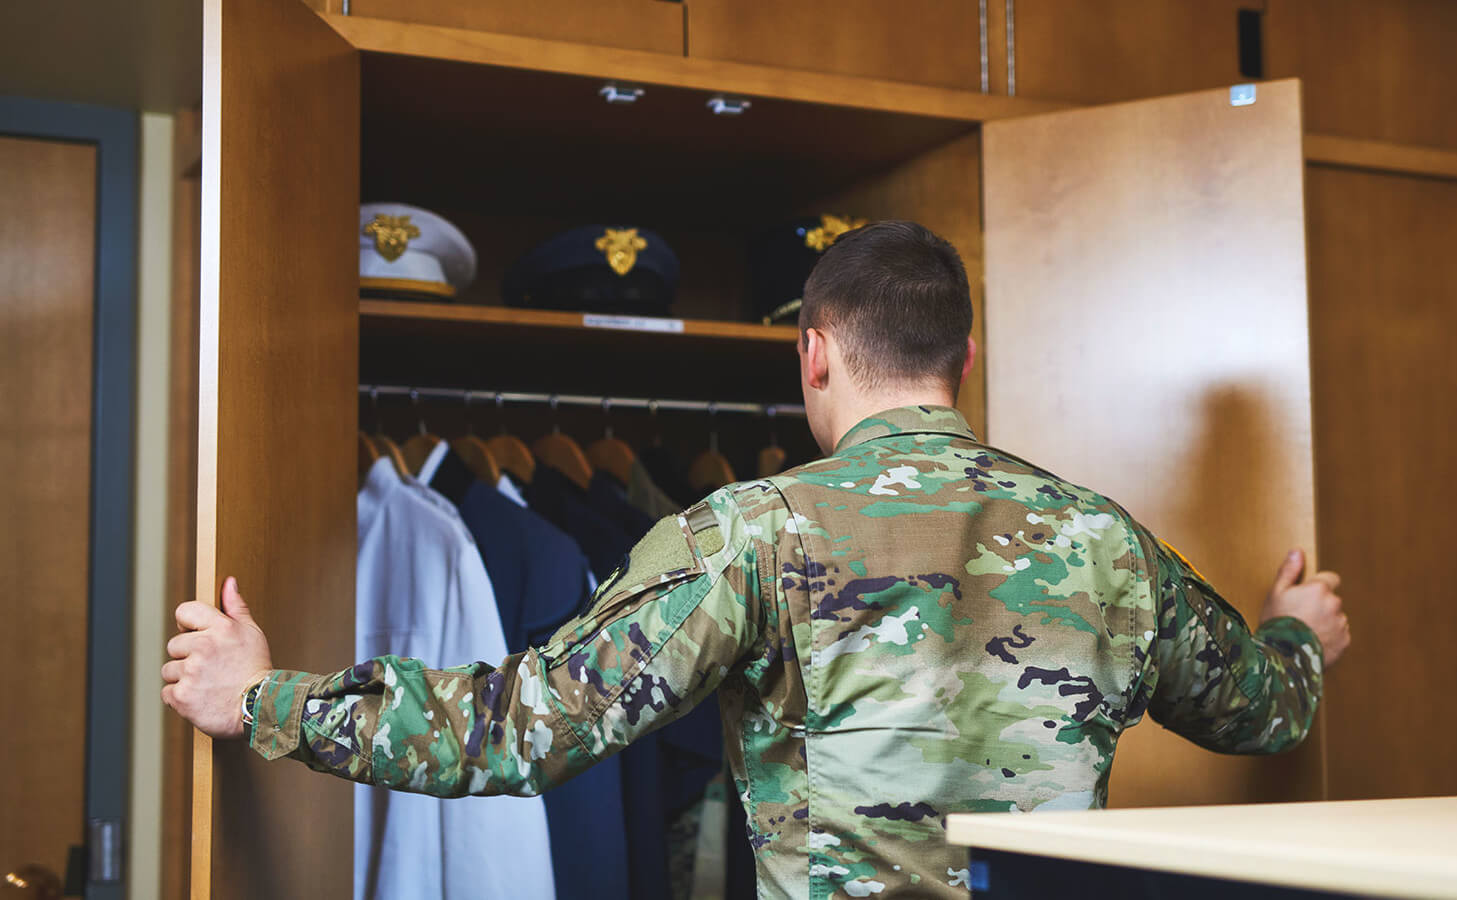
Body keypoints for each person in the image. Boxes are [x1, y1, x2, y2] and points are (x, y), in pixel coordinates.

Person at [164, 220, 1350, 899]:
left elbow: (521, 729)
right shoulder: (1104, 541)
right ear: (965, 356)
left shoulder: (747, 533)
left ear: (814, 353)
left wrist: (264, 699)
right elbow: (1264, 710)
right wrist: (1296, 624)